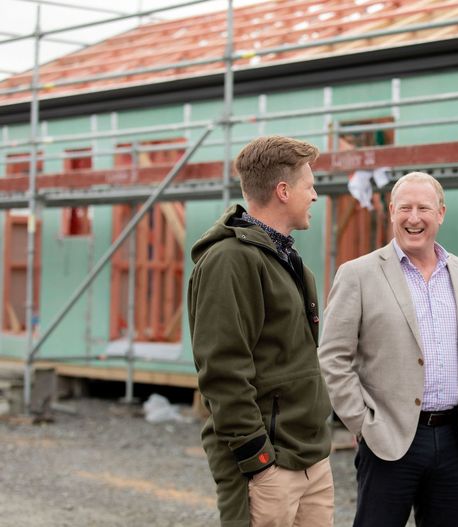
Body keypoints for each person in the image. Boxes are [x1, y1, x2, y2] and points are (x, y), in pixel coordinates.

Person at [318, 171, 458, 527]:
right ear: (391, 210)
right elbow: (333, 356)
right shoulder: (358, 274)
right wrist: (363, 423)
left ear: (441, 213)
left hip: (457, 439)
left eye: (424, 208)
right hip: (390, 439)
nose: (414, 218)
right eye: (405, 208)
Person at [188, 136, 333, 527]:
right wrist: (258, 460)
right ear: (283, 191)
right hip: (269, 466)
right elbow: (222, 371)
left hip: (311, 458)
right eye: (309, 185)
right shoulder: (229, 261)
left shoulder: (289, 260)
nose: (315, 195)